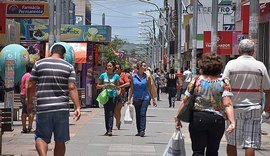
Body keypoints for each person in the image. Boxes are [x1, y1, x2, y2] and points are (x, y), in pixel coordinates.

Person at [175, 53, 235, 156]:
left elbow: (185, 100)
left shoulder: (196, 80)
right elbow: (227, 104)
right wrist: (232, 122)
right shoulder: (224, 82)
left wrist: (177, 117)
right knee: (213, 151)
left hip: (198, 118)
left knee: (198, 151)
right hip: (217, 119)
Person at [27, 44, 81, 156]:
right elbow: (72, 87)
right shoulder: (69, 66)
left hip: (43, 107)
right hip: (61, 108)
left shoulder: (39, 63)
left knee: (41, 137)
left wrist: (29, 103)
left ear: (50, 52)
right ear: (64, 55)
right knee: (60, 140)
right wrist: (78, 107)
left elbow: (31, 85)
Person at [222, 39, 270, 156]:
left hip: (233, 108)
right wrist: (267, 108)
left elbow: (224, 87)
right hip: (254, 108)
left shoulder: (231, 64)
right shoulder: (260, 66)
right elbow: (267, 89)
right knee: (250, 143)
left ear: (239, 50)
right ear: (253, 51)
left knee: (232, 142)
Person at [127, 61, 156, 137]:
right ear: (139, 67)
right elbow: (132, 88)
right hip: (136, 97)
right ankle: (139, 130)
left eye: (145, 66)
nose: (145, 67)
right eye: (143, 66)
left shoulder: (147, 77)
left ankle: (142, 130)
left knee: (143, 113)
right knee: (138, 114)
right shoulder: (133, 76)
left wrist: (153, 98)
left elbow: (150, 88)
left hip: (145, 97)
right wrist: (129, 98)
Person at [96, 61, 120, 136]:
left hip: (113, 95)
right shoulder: (103, 75)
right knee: (106, 112)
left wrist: (114, 86)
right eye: (108, 66)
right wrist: (104, 85)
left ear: (113, 68)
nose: (109, 67)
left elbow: (118, 87)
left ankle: (110, 130)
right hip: (105, 96)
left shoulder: (116, 76)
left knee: (111, 112)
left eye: (110, 66)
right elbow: (97, 86)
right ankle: (107, 129)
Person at [114, 63, 130, 130]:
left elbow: (128, 83)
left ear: (121, 69)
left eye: (118, 68)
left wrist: (120, 86)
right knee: (114, 111)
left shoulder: (123, 75)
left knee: (118, 109)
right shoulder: (113, 75)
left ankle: (117, 121)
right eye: (116, 68)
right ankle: (118, 120)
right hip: (113, 94)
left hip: (121, 94)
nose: (117, 69)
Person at [20, 62, 35, 133]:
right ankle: (30, 127)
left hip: (22, 95)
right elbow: (27, 86)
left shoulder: (24, 75)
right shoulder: (29, 76)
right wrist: (27, 97)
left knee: (24, 111)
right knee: (31, 111)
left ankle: (24, 128)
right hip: (27, 95)